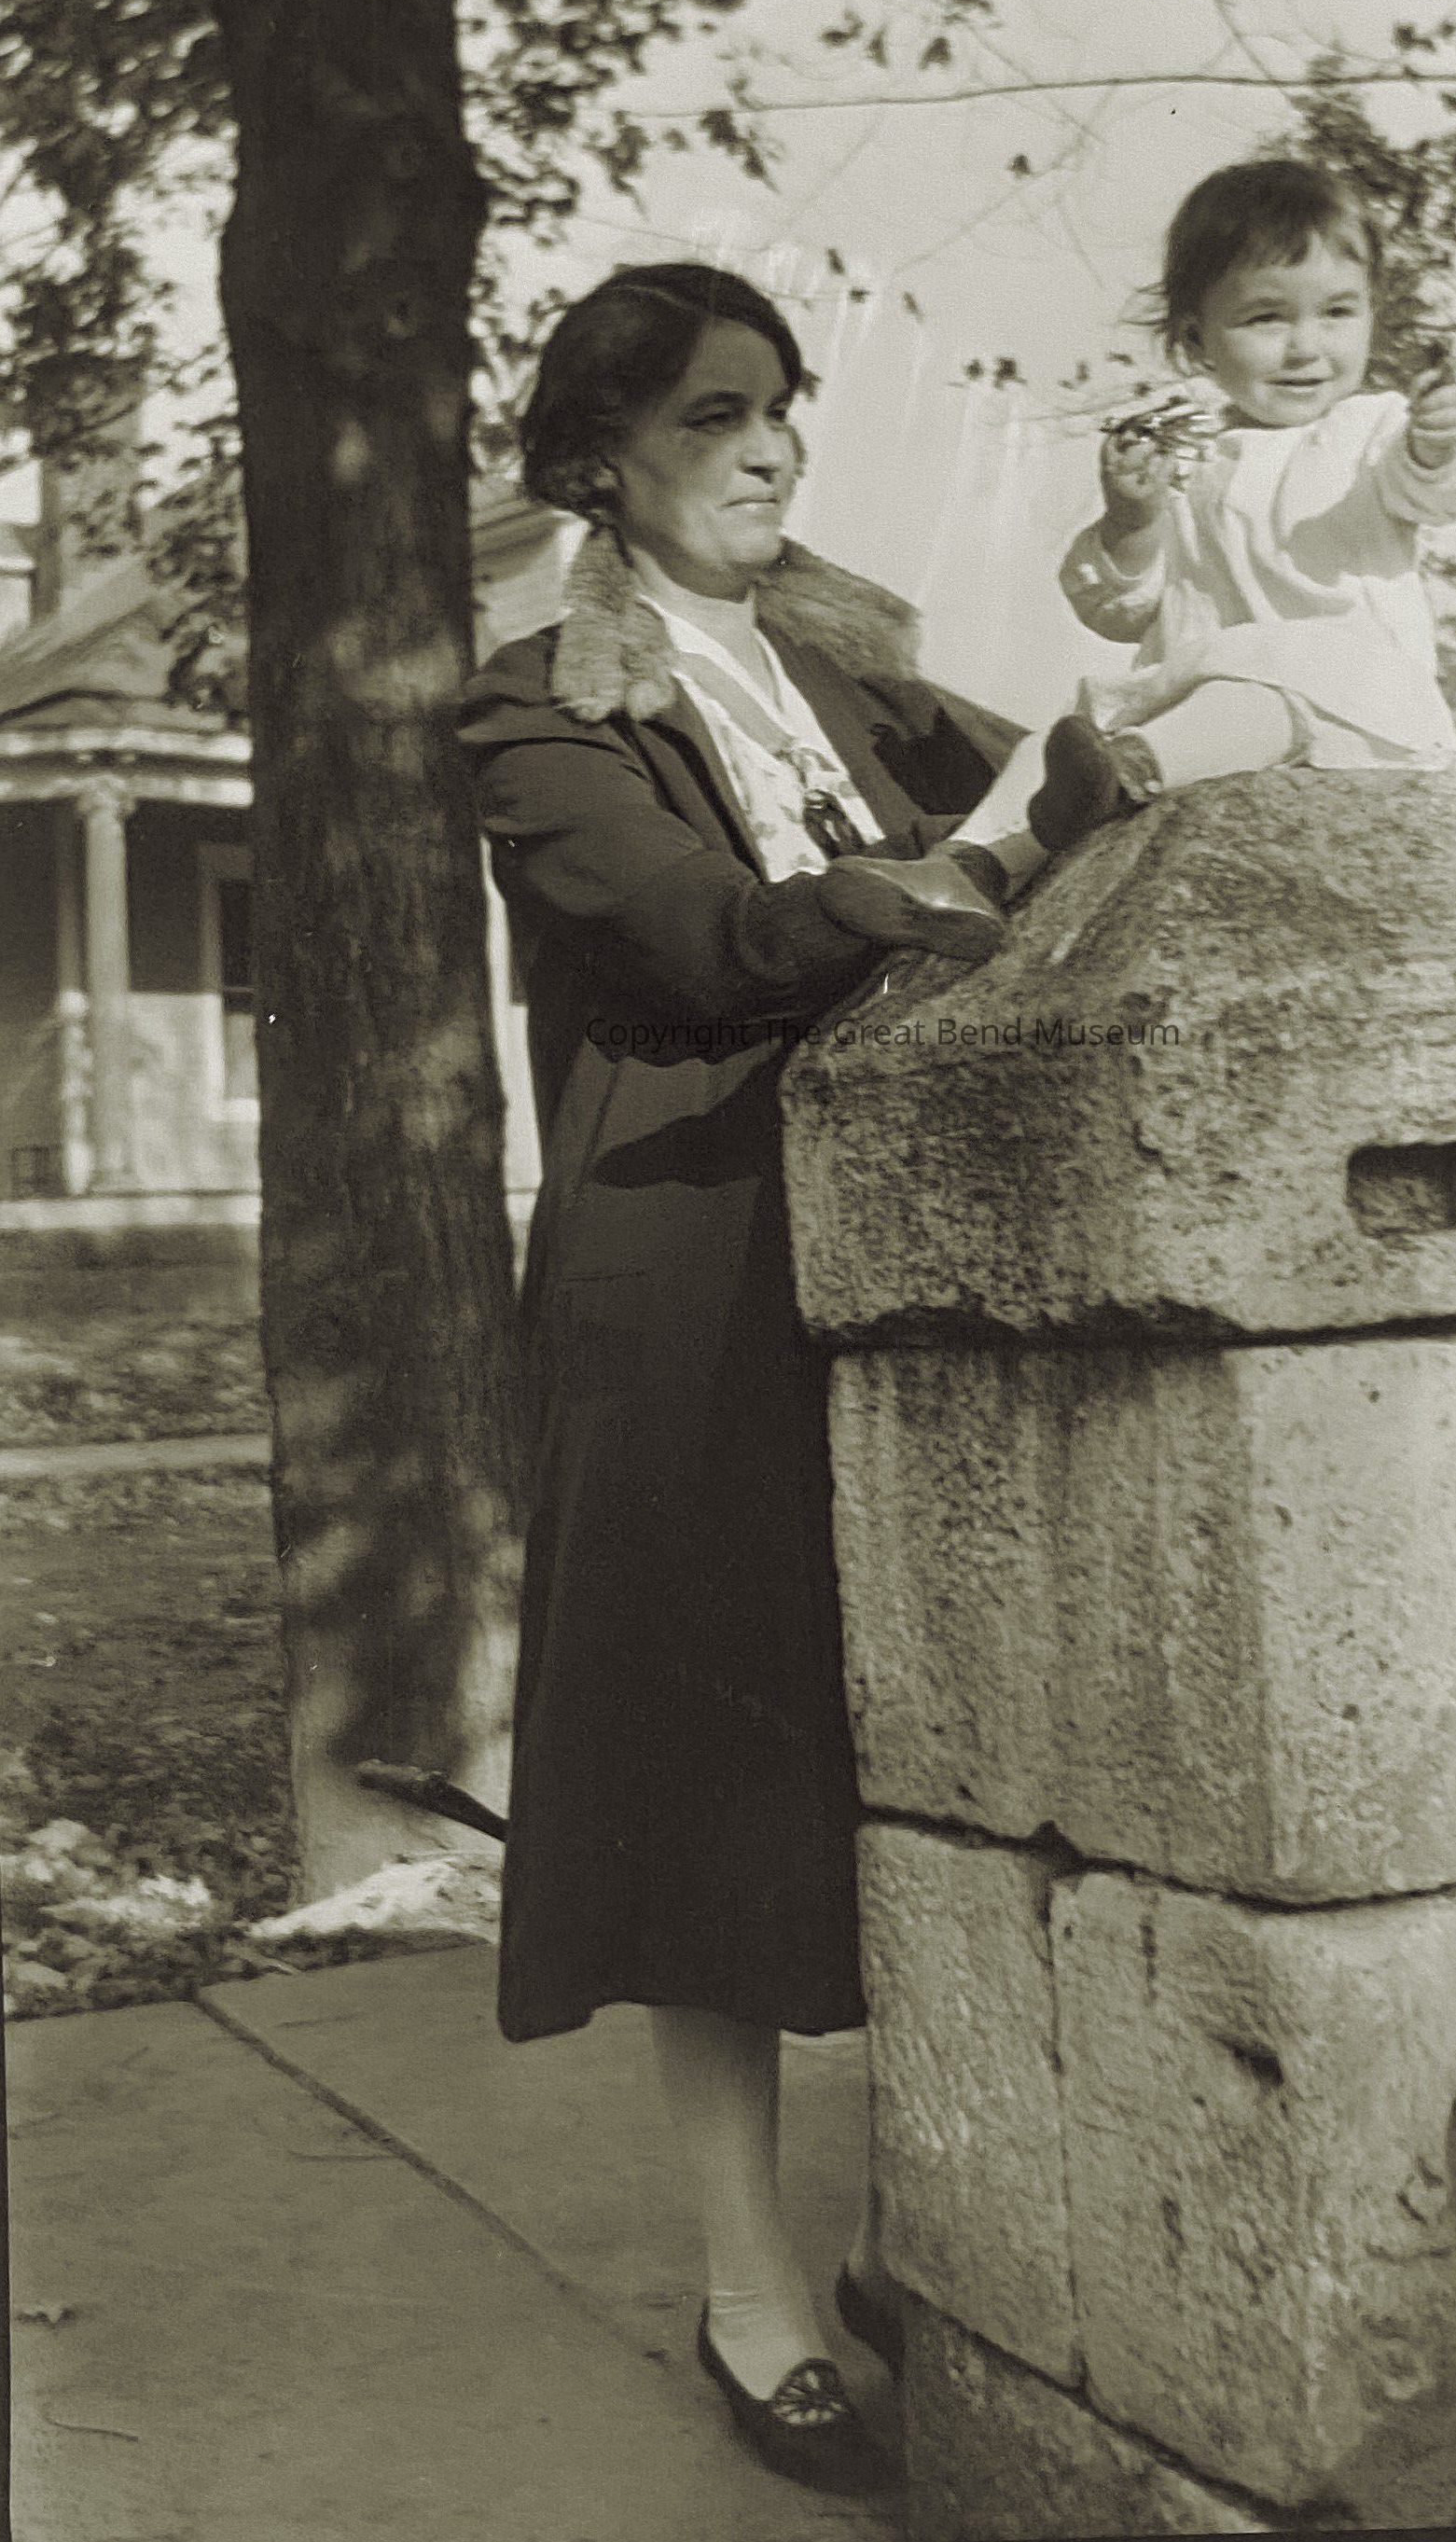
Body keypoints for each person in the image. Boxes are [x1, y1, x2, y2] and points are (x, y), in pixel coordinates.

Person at [456, 262, 1040, 2496]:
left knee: (923, 1763)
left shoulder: (850, 676)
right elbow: (694, 940)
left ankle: (910, 2235)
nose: (772, 440)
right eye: (713, 413)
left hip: (910, 1263)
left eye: (780, 403)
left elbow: (1050, 798)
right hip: (692, 1278)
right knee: (711, 1791)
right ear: (601, 459)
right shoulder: (538, 709)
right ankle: (747, 2284)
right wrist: (906, 895)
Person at [1021, 157, 1456, 851]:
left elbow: (1438, 488)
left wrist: (1438, 443)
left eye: (1338, 312)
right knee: (1053, 739)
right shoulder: (1185, 455)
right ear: (1197, 340)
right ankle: (966, 866)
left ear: (1371, 313)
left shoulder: (1372, 430)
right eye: (1266, 318)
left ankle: (1127, 773)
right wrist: (1132, 523)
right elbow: (1121, 610)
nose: (1305, 347)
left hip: (1350, 710)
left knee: (1263, 691)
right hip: (1197, 708)